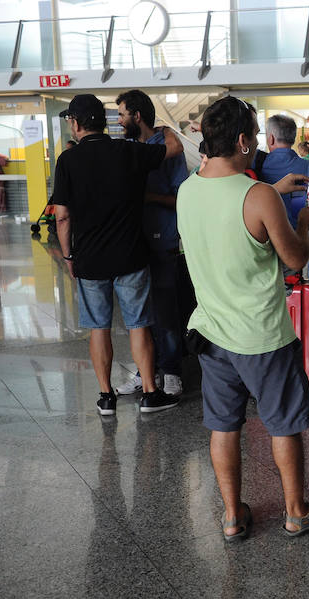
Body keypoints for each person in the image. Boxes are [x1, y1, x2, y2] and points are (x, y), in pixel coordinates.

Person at [177, 96, 309, 539]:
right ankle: (297, 512)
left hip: (211, 331)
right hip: (262, 335)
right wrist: (303, 221)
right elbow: (294, 258)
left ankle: (231, 516)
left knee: (223, 424)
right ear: (245, 140)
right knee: (284, 423)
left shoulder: (187, 190)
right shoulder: (258, 195)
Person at [51, 94, 183, 416]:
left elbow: (62, 216)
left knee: (99, 328)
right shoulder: (129, 151)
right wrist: (163, 128)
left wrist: (68, 257)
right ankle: (151, 394)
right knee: (139, 325)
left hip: (91, 259)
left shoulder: (68, 161)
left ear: (75, 123)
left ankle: (106, 397)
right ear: (105, 121)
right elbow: (175, 148)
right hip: (130, 256)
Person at [114, 89, 190, 398]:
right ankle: (145, 372)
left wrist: (148, 198)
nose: (118, 121)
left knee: (165, 312)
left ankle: (171, 371)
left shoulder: (167, 148)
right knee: (137, 315)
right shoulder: (126, 149)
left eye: (121, 114)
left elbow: (181, 199)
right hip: (132, 242)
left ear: (138, 116)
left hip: (163, 240)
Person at [258, 114, 309, 227]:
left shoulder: (258, 163)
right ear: (293, 138)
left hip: (264, 233)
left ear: (271, 139)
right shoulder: (308, 166)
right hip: (297, 234)